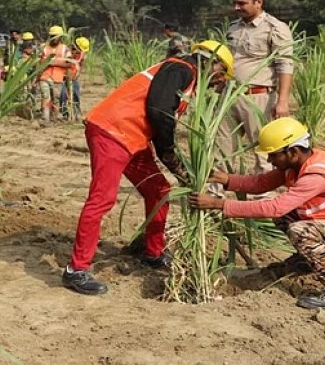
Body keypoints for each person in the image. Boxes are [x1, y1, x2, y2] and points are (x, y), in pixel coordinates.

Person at [62, 40, 235, 295]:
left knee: (159, 189)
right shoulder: (182, 69)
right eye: (220, 77)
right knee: (102, 199)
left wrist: (176, 165)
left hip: (132, 136)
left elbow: (158, 117)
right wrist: (168, 153)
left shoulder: (185, 74)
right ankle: (76, 270)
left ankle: (153, 252)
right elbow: (159, 110)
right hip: (113, 131)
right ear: (215, 64)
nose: (215, 84)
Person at [189, 117, 325, 310]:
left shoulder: (315, 176)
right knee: (285, 216)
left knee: (300, 230)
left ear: (293, 152)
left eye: (273, 154)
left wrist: (218, 204)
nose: (269, 159)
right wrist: (224, 179)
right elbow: (261, 184)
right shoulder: (298, 163)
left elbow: (274, 206)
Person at [215, 0, 294, 187]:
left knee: (264, 151)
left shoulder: (275, 28)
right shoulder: (234, 28)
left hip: (258, 98)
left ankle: (262, 199)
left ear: (258, 2)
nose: (236, 7)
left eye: (242, 3)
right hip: (229, 97)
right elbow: (229, 60)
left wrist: (283, 101)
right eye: (235, 3)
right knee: (219, 148)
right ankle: (214, 196)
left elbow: (285, 65)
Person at [38, 26, 72, 126]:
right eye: (52, 36)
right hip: (44, 76)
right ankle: (45, 118)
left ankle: (54, 118)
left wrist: (54, 63)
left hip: (58, 78)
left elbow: (69, 63)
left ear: (60, 37)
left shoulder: (64, 49)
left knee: (56, 99)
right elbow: (38, 63)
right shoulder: (43, 48)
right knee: (45, 97)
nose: (54, 38)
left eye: (55, 36)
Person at [59, 36, 89, 120]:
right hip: (63, 77)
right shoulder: (66, 51)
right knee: (63, 94)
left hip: (74, 77)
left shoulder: (82, 54)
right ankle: (65, 113)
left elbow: (81, 64)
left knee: (75, 93)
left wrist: (78, 74)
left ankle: (76, 113)